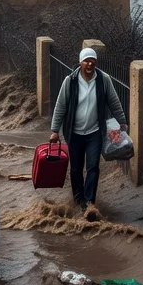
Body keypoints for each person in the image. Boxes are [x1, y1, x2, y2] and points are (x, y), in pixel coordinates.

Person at [49, 48, 128, 210]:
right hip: (74, 133)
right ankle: (78, 198)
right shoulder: (70, 81)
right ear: (80, 62)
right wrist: (54, 130)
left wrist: (122, 122)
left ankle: (89, 203)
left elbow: (114, 101)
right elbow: (60, 106)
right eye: (86, 60)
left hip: (95, 133)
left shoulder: (103, 80)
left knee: (93, 167)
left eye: (93, 60)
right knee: (76, 168)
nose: (90, 63)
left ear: (96, 62)